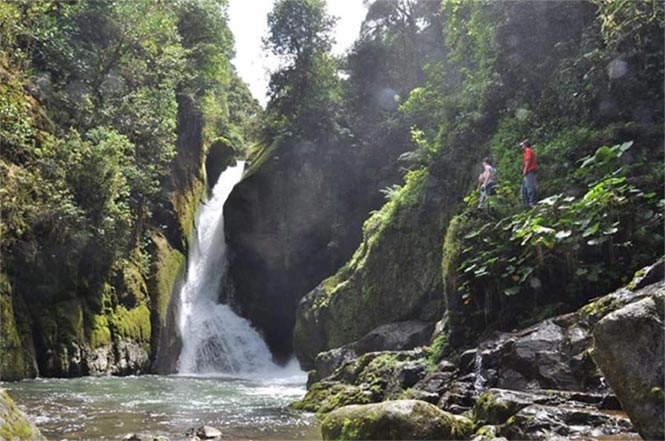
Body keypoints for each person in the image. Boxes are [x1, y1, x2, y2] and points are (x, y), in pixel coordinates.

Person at [520, 139, 538, 207]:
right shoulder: (528, 151)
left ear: (525, 145)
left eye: (522, 145)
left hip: (530, 171)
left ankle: (532, 202)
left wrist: (525, 169)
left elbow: (528, 160)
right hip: (529, 172)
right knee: (524, 188)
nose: (522, 147)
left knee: (530, 186)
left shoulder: (528, 150)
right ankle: (526, 204)